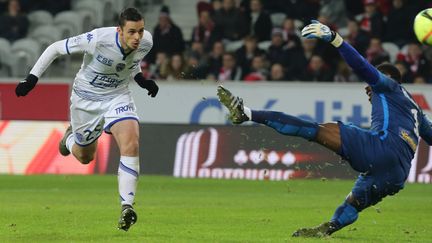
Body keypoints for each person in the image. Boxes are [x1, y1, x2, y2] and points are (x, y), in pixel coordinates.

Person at [217, 20, 432, 237]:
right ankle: (328, 229)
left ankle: (247, 113)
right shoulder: (417, 110)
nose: (368, 87)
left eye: (372, 82)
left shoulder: (388, 85)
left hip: (381, 147)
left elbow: (360, 66)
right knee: (354, 202)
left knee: (314, 130)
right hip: (398, 174)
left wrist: (334, 39)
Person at [15, 7, 159, 232]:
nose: (137, 37)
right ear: (119, 30)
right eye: (131, 32)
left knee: (131, 142)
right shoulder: (97, 39)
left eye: (140, 31)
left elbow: (130, 62)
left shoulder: (146, 41)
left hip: (118, 96)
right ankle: (69, 140)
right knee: (85, 156)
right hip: (86, 100)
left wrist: (141, 79)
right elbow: (54, 48)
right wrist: (31, 79)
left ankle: (127, 206)